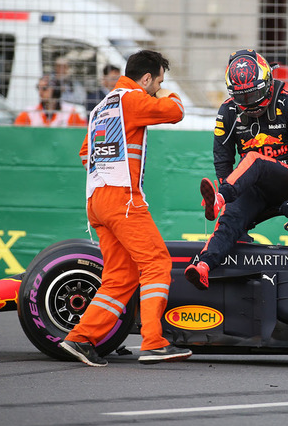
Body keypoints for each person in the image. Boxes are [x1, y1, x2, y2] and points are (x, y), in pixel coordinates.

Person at [59, 49, 190, 366]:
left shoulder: (101, 107)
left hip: (97, 200)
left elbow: (84, 154)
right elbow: (175, 111)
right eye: (158, 81)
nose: (158, 87)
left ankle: (80, 338)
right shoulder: (132, 99)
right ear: (146, 78)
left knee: (120, 277)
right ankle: (154, 342)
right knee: (157, 262)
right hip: (122, 200)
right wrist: (166, 94)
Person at [183, 49, 288, 290]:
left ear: (266, 82)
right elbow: (222, 158)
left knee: (254, 158)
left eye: (253, 94)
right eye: (242, 97)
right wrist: (229, 201)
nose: (250, 103)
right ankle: (203, 267)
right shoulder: (227, 111)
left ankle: (220, 199)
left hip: (285, 182)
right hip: (251, 188)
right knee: (228, 220)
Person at [14, 75, 86, 127]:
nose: (40, 92)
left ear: (55, 90)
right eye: (38, 88)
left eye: (44, 88)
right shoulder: (29, 113)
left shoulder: (70, 112)